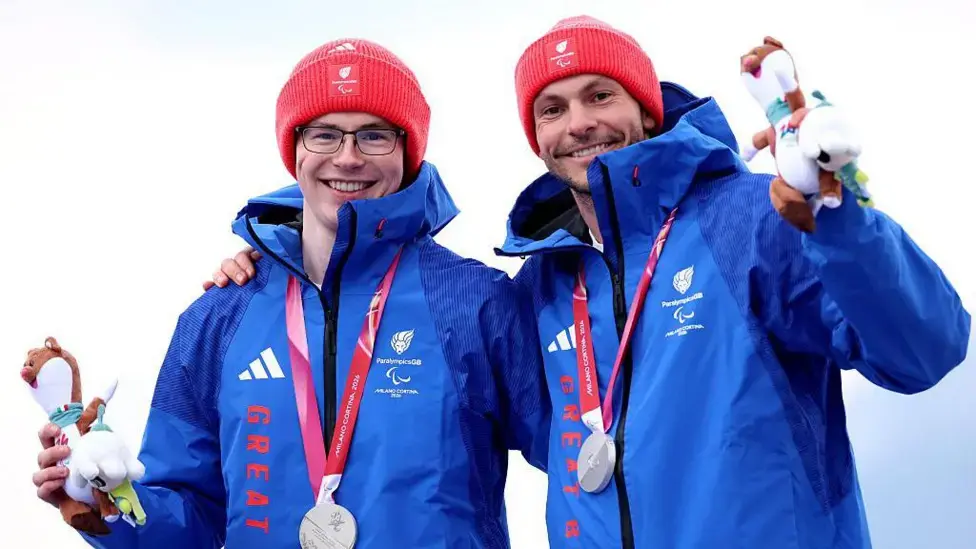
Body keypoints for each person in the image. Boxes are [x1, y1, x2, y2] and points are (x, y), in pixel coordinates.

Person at [212, 15, 973, 549]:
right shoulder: (545, 285)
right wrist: (264, 272)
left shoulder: (751, 218)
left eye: (599, 95)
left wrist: (842, 215)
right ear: (534, 134)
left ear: (644, 106)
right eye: (552, 107)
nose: (579, 123)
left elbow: (925, 347)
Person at [31, 38, 550, 549]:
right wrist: (107, 497)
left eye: (374, 135)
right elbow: (189, 518)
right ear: (294, 148)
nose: (347, 158)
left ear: (408, 150)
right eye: (324, 134)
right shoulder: (218, 316)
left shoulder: (477, 302)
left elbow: (588, 456)